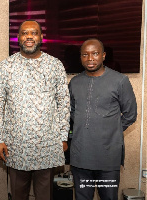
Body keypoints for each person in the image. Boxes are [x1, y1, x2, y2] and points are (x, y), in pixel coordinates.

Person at [0, 19, 70, 200]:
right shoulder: (6, 66)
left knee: (45, 195)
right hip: (15, 146)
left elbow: (64, 103)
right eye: (25, 33)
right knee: (18, 195)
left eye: (34, 33)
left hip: (47, 145)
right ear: (18, 38)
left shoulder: (55, 65)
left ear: (41, 37)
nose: (29, 36)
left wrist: (63, 136)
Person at [69, 38, 137, 200]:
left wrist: (111, 131)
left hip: (108, 157)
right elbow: (71, 112)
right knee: (82, 197)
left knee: (109, 197)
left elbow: (130, 114)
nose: (90, 58)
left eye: (95, 53)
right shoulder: (74, 82)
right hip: (81, 156)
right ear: (81, 57)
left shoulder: (120, 81)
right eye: (85, 54)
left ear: (103, 55)